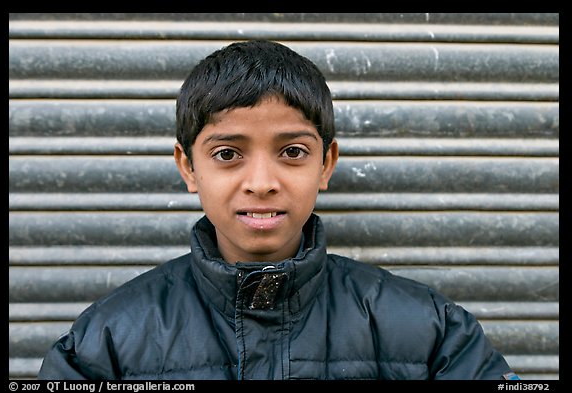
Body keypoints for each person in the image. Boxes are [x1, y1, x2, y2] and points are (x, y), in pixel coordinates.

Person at [38, 39, 519, 380]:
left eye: (292, 152)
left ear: (326, 163)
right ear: (188, 167)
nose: (263, 184)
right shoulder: (107, 342)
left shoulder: (432, 333)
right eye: (227, 154)